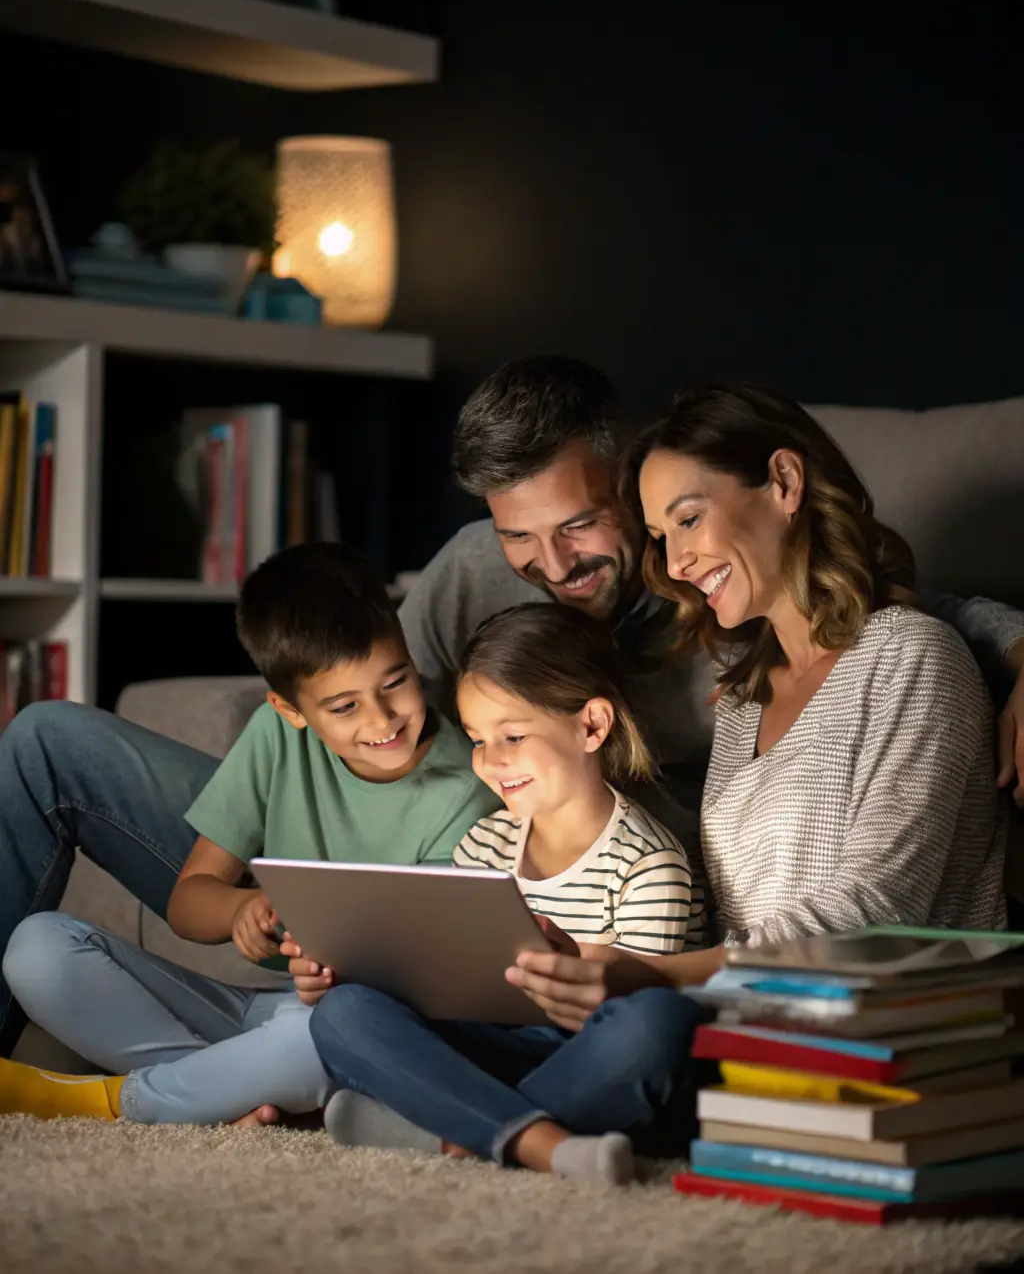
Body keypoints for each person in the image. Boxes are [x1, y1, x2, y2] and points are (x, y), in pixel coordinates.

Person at [1, 356, 1022, 1060]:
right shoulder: (470, 574)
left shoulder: (726, 603)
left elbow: (898, 623)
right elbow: (358, 683)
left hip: (571, 903)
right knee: (46, 742)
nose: (549, 567)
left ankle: (287, 1046)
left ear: (632, 485)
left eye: (578, 526)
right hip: (408, 862)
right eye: (517, 538)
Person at [500, 382, 1010, 1034]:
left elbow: (874, 914)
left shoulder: (911, 657)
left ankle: (502, 1119)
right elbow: (733, 917)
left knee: (628, 1036)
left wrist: (652, 974)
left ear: (784, 481)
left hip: (884, 1031)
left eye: (687, 519)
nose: (677, 563)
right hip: (738, 1018)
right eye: (659, 536)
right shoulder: (743, 695)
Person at [0, 543, 496, 1123]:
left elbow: (437, 986)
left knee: (325, 1037)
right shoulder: (276, 736)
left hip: (342, 1021)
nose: (381, 720)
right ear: (290, 710)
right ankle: (219, 1091)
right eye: (343, 706)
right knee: (36, 950)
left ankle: (113, 1101)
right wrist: (238, 909)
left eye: (396, 683)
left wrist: (336, 982)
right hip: (260, 1017)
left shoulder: (467, 789)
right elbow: (189, 901)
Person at [305, 604, 708, 1184]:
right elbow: (449, 987)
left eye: (513, 736)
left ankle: (453, 1129)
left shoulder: (649, 867)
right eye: (476, 739)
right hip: (490, 1045)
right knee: (343, 1012)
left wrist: (577, 969)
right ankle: (537, 1141)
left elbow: (631, 1011)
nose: (491, 762)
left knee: (655, 1025)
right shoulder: (486, 842)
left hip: (583, 1061)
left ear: (591, 726)